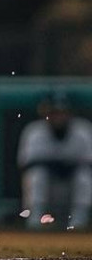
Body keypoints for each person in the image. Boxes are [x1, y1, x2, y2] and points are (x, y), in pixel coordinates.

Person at [18, 92, 92, 230]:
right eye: (54, 112)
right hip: (47, 189)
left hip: (71, 188)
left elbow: (88, 164)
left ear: (70, 113)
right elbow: (25, 166)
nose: (58, 117)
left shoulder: (83, 130)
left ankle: (79, 224)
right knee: (36, 176)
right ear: (46, 113)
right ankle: (35, 223)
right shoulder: (34, 132)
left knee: (84, 177)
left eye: (62, 112)